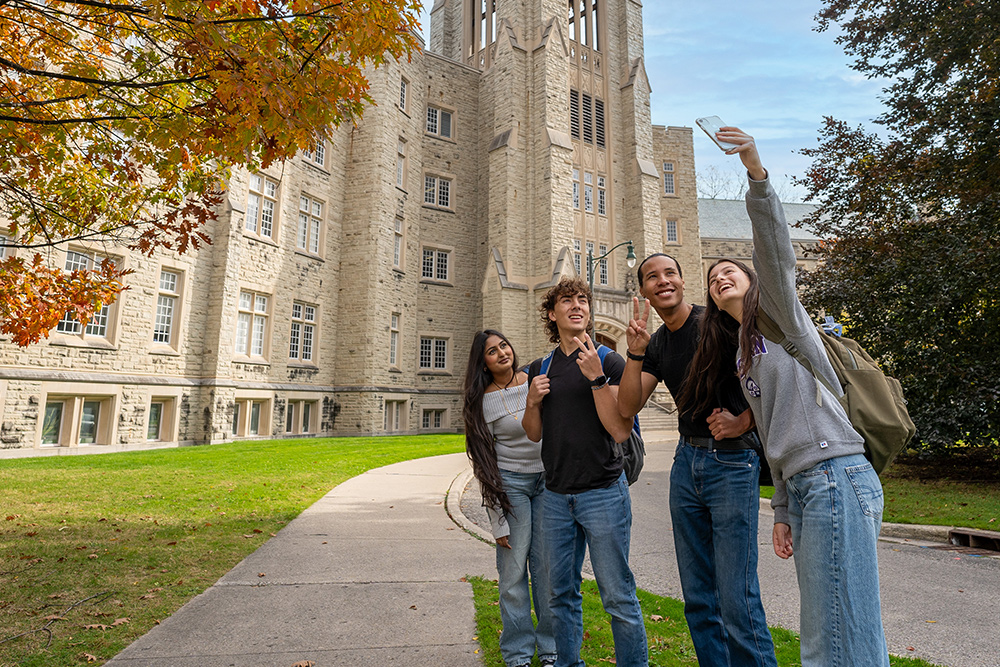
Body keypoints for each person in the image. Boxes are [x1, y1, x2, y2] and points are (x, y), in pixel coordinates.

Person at [694, 126, 890, 667]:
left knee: (837, 631)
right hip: (805, 487)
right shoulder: (743, 353)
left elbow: (775, 247)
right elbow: (772, 433)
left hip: (837, 474)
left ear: (755, 281)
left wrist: (755, 170)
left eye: (729, 269)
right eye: (712, 277)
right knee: (831, 624)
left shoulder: (782, 318)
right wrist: (780, 508)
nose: (719, 277)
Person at [617, 252, 778, 666]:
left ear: (684, 281)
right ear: (643, 291)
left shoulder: (718, 321)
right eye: (652, 277)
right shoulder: (656, 344)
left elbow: (775, 373)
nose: (662, 280)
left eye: (670, 273)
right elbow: (629, 406)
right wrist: (635, 354)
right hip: (686, 464)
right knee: (698, 597)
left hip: (732, 464)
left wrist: (744, 421)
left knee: (737, 596)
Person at [521, 277, 649, 667]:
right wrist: (530, 401)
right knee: (560, 595)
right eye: (567, 301)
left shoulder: (608, 361)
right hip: (556, 497)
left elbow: (621, 428)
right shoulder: (540, 367)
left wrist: (597, 378)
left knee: (617, 595)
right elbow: (534, 433)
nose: (577, 306)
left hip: (603, 493)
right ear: (551, 313)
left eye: (583, 300)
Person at [462, 329, 557, 667]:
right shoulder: (482, 401)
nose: (502, 352)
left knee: (546, 571)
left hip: (548, 482)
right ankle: (517, 654)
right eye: (492, 351)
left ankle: (550, 650)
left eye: (504, 345)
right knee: (513, 573)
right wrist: (496, 518)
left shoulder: (535, 378)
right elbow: (484, 463)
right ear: (483, 363)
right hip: (510, 486)